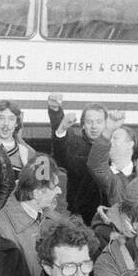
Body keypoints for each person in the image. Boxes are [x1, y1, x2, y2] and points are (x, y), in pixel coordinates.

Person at [0, 155, 63, 276]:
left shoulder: (53, 217)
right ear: (36, 193)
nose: (59, 191)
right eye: (54, 187)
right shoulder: (1, 228)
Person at [48, 94, 112, 226]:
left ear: (106, 124)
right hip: (80, 218)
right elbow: (61, 149)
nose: (94, 126)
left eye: (99, 122)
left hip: (109, 216)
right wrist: (56, 113)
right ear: (82, 125)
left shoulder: (114, 146)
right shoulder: (75, 145)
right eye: (89, 122)